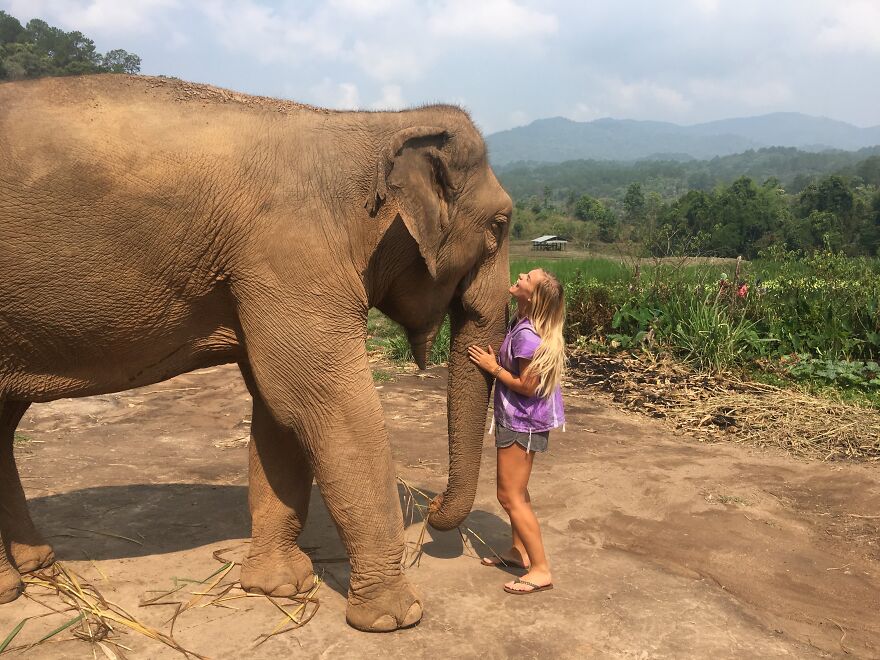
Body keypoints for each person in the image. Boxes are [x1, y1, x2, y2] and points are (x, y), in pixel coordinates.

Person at [467, 268, 565, 595]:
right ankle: (519, 552)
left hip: (523, 422)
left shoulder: (527, 335)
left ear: (532, 297)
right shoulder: (522, 323)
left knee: (508, 496)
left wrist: (493, 368)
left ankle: (540, 569)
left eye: (527, 278)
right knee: (518, 492)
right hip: (523, 420)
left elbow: (528, 386)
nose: (520, 275)